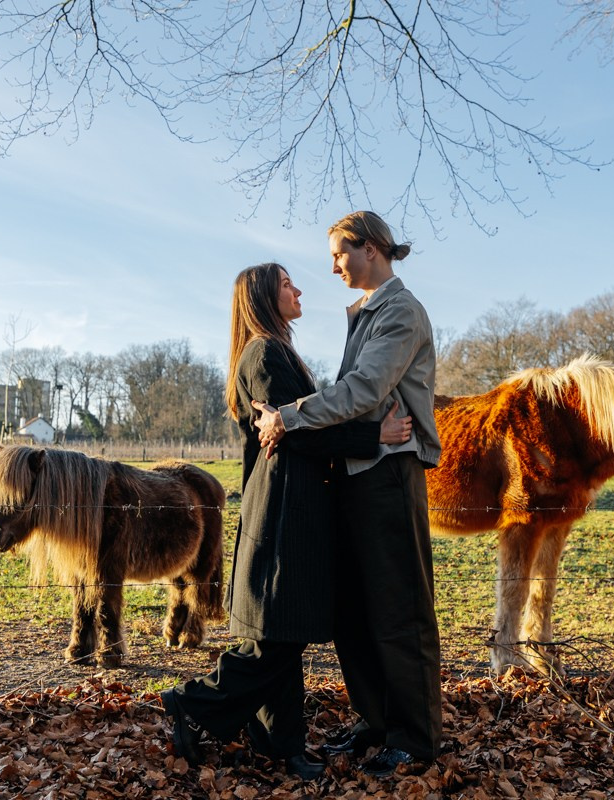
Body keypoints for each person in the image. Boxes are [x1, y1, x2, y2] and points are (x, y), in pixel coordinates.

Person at [160, 262, 412, 780]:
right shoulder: (265, 353)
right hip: (285, 514)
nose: (298, 289)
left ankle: (282, 745)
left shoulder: (272, 350)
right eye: (286, 284)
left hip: (288, 507)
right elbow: (298, 434)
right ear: (263, 298)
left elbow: (298, 427)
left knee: (280, 635)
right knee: (280, 639)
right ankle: (190, 703)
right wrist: (374, 439)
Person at [252, 210, 442, 778]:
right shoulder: (365, 315)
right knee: (356, 612)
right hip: (360, 473)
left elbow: (361, 391)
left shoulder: (401, 311)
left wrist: (288, 416)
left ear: (372, 249)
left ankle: (415, 737)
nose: (333, 265)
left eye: (340, 252)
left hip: (390, 475)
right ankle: (377, 723)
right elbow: (349, 394)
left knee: (398, 611)